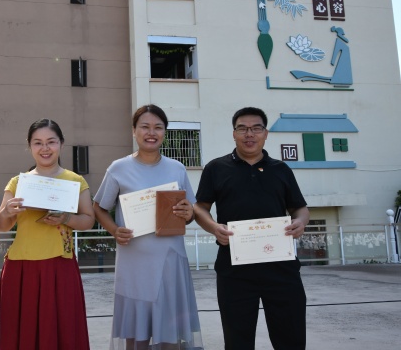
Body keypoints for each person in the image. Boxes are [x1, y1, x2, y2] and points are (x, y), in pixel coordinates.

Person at [194, 106, 310, 350]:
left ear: (265, 133)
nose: (249, 134)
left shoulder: (281, 169)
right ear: (233, 133)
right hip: (234, 269)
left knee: (291, 338)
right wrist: (214, 227)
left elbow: (300, 209)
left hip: (281, 267)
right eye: (242, 129)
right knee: (238, 341)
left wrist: (300, 222)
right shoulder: (216, 168)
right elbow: (200, 208)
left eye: (256, 128)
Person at [93, 104, 204, 350]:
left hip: (170, 260)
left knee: (170, 334)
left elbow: (190, 210)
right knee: (137, 335)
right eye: (144, 127)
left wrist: (188, 214)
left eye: (158, 127)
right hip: (134, 262)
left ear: (165, 132)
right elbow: (99, 207)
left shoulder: (177, 168)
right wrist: (114, 230)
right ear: (134, 131)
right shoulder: (118, 168)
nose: (151, 133)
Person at [0, 118, 95, 350]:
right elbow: (1, 225)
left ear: (61, 143)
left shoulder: (75, 181)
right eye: (38, 143)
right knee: (22, 332)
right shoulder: (18, 182)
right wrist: (8, 211)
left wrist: (66, 219)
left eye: (51, 141)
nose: (45, 148)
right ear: (29, 146)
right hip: (21, 267)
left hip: (60, 266)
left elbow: (88, 220)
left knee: (61, 331)